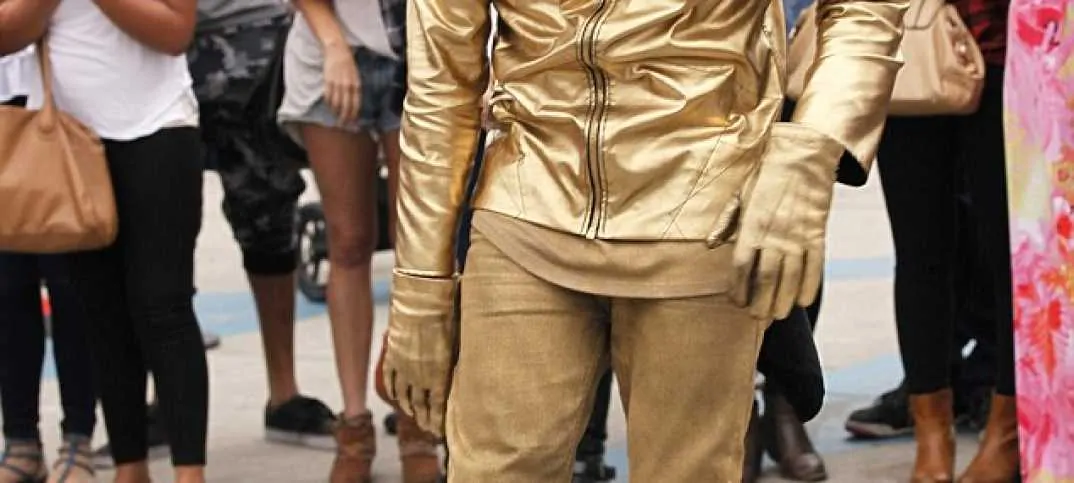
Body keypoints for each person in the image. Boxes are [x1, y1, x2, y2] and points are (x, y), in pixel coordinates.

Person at [381, 0, 908, 481]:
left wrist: (810, 152)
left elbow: (864, 9)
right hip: (525, 203)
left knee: (687, 473)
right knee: (493, 472)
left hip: (701, 208)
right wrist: (419, 289)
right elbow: (441, 86)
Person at [1, 1, 210, 483]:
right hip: (70, 140)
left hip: (159, 127)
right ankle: (129, 467)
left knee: (164, 306)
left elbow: (175, 32)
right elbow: (7, 34)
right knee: (102, 313)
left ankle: (189, 472)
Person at [276, 0, 442, 481]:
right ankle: (353, 425)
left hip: (423, 55)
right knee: (347, 243)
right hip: (329, 51)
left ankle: (416, 420)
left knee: (417, 246)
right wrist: (332, 42)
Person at [870, 0, 1018, 480]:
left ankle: (1007, 431)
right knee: (919, 252)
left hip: (1010, 51)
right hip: (911, 42)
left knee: (1013, 254)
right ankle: (931, 433)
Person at [189, 0, 337, 448]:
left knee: (269, 215)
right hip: (155, 44)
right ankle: (165, 401)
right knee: (160, 228)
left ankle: (284, 393)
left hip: (257, 33)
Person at [0, 48, 99, 483]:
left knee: (69, 285)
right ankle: (20, 439)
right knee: (7, 287)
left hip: (59, 101)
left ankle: (79, 437)